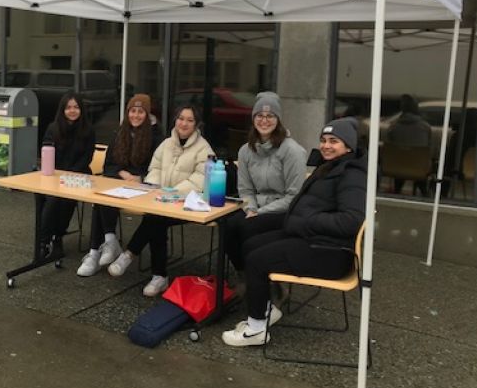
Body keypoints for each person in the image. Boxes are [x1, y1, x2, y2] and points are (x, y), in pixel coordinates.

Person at [222, 117, 366, 347]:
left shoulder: (352, 175)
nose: (327, 145)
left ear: (348, 146)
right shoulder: (330, 167)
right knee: (250, 244)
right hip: (312, 237)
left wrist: (305, 221)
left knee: (257, 260)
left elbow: (351, 221)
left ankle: (256, 329)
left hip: (330, 252)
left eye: (334, 141)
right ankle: (266, 307)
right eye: (324, 140)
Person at [107, 105, 214, 297]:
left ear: (196, 124)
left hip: (187, 203)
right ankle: (158, 276)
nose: (184, 123)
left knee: (155, 219)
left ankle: (131, 255)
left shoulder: (204, 148)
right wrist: (157, 188)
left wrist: (172, 192)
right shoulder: (166, 143)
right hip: (162, 199)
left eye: (190, 120)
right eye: (181, 118)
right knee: (157, 219)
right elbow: (154, 168)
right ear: (175, 120)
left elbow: (200, 179)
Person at [223, 92, 307, 282]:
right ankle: (244, 274)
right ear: (253, 119)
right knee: (226, 225)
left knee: (247, 228)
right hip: (255, 206)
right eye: (260, 115)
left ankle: (270, 282)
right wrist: (251, 208)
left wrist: (260, 213)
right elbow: (245, 189)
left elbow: (294, 196)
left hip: (283, 210)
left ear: (278, 120)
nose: (264, 120)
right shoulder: (246, 150)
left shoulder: (292, 151)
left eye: (270, 116)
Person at [76, 94, 162, 277]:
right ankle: (104, 244)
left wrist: (140, 178)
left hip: (144, 188)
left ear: (147, 115)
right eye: (132, 111)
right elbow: (109, 165)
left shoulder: (157, 137)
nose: (136, 115)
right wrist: (122, 174)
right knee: (99, 196)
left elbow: (158, 168)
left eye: (140, 112)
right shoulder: (120, 133)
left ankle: (98, 250)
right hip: (120, 182)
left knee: (102, 201)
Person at [38, 93, 96, 259]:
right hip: (54, 175)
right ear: (63, 110)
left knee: (66, 201)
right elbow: (47, 152)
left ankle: (57, 237)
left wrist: (70, 174)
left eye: (76, 107)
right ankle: (43, 242)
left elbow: (87, 157)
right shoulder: (53, 128)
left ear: (81, 109)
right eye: (68, 107)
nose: (72, 111)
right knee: (51, 200)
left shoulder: (88, 130)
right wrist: (57, 174)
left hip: (78, 175)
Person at [385, 94, 432, 195]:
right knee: (419, 164)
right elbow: (429, 147)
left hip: (396, 167)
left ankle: (397, 190)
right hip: (419, 168)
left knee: (401, 160)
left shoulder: (393, 127)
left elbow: (389, 145)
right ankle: (425, 193)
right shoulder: (425, 128)